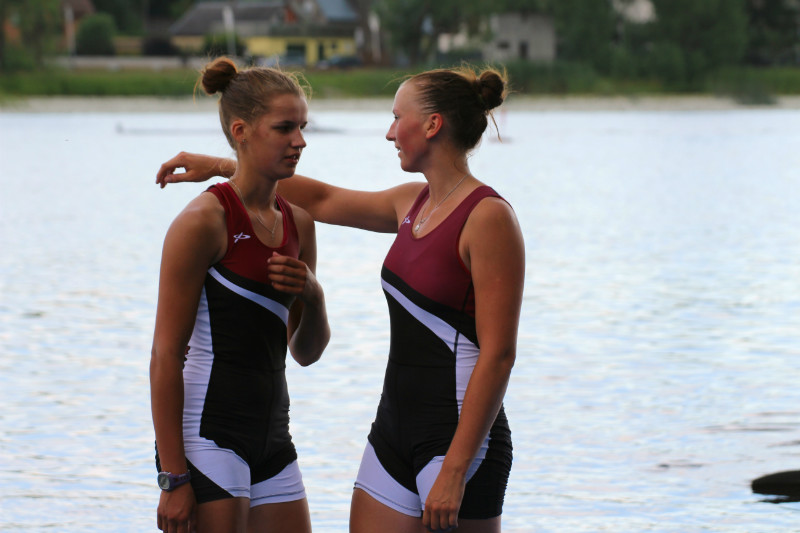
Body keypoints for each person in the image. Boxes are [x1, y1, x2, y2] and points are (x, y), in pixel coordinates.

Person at [156, 65, 524, 533]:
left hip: (457, 442)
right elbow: (323, 198)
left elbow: (500, 354)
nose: (389, 131)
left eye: (398, 118)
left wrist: (455, 469)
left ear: (432, 125)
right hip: (391, 438)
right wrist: (224, 165)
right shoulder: (411, 202)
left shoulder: (487, 217)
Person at [150, 57, 330, 533]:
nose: (300, 141)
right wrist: (173, 477)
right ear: (241, 131)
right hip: (209, 437)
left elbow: (305, 353)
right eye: (285, 128)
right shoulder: (203, 221)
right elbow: (165, 356)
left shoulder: (300, 224)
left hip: (274, 439)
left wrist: (314, 296)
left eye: (303, 127)